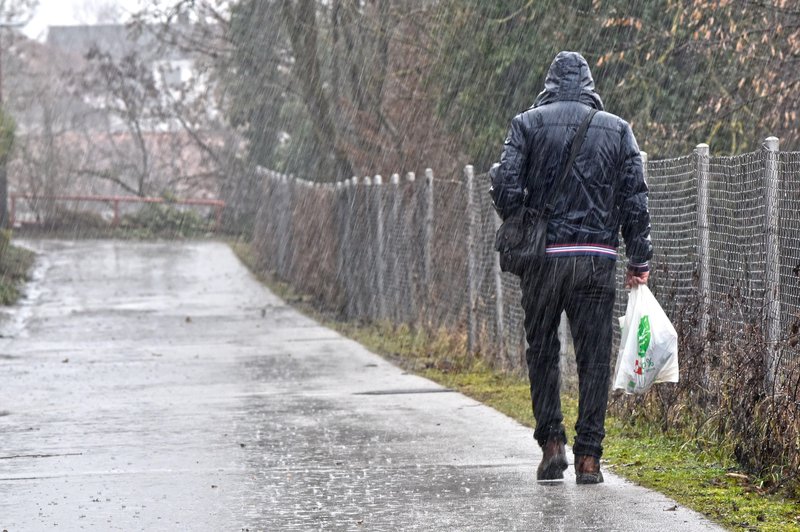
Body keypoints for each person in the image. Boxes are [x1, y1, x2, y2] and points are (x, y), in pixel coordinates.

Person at [489, 51, 652, 484]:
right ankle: (590, 459)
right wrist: (639, 258)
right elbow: (635, 198)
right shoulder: (618, 131)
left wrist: (523, 207)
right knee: (594, 358)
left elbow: (505, 191)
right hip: (596, 262)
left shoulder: (527, 125)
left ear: (549, 83)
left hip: (543, 262)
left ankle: (552, 446)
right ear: (589, 84)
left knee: (542, 351)